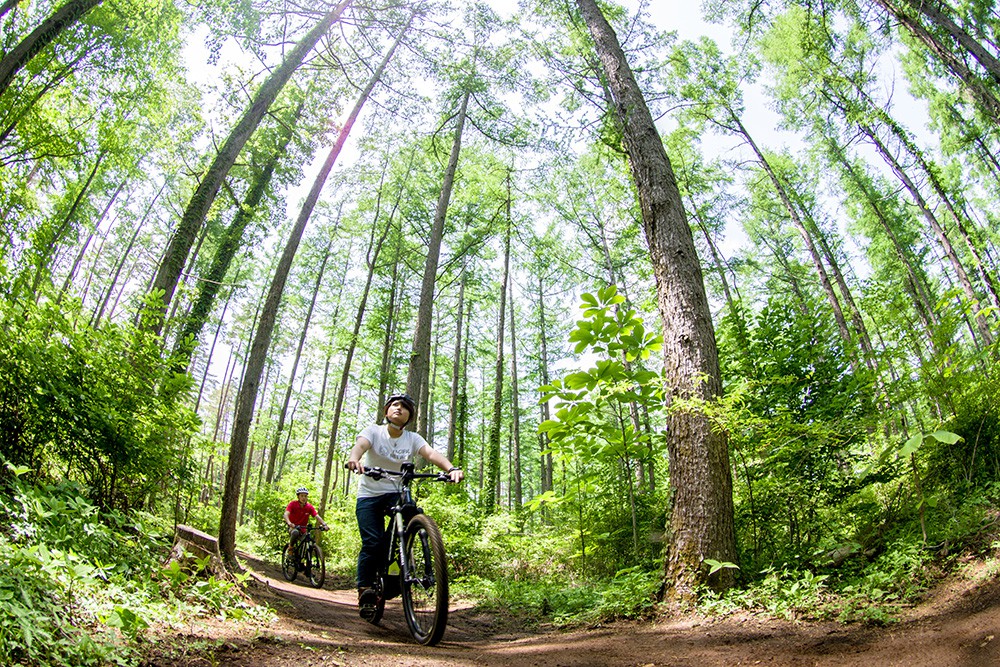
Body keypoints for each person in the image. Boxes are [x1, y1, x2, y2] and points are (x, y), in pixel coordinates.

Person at [346, 393, 463, 619]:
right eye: (395, 405)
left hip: (394, 493)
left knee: (410, 509)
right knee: (372, 542)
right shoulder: (374, 431)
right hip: (369, 495)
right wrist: (355, 459)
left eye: (404, 407)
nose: (399, 409)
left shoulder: (412, 438)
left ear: (410, 415)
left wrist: (451, 469)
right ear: (387, 411)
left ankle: (397, 567)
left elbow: (430, 453)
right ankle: (365, 589)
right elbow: (360, 446)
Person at [284, 487, 328, 559]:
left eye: (305, 496)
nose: (303, 498)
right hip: (293, 527)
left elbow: (317, 516)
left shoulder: (309, 507)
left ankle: (303, 559)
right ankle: (290, 548)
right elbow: (286, 514)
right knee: (295, 532)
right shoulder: (293, 504)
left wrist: (324, 524)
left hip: (303, 529)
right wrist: (289, 523)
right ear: (298, 496)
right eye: (302, 496)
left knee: (307, 540)